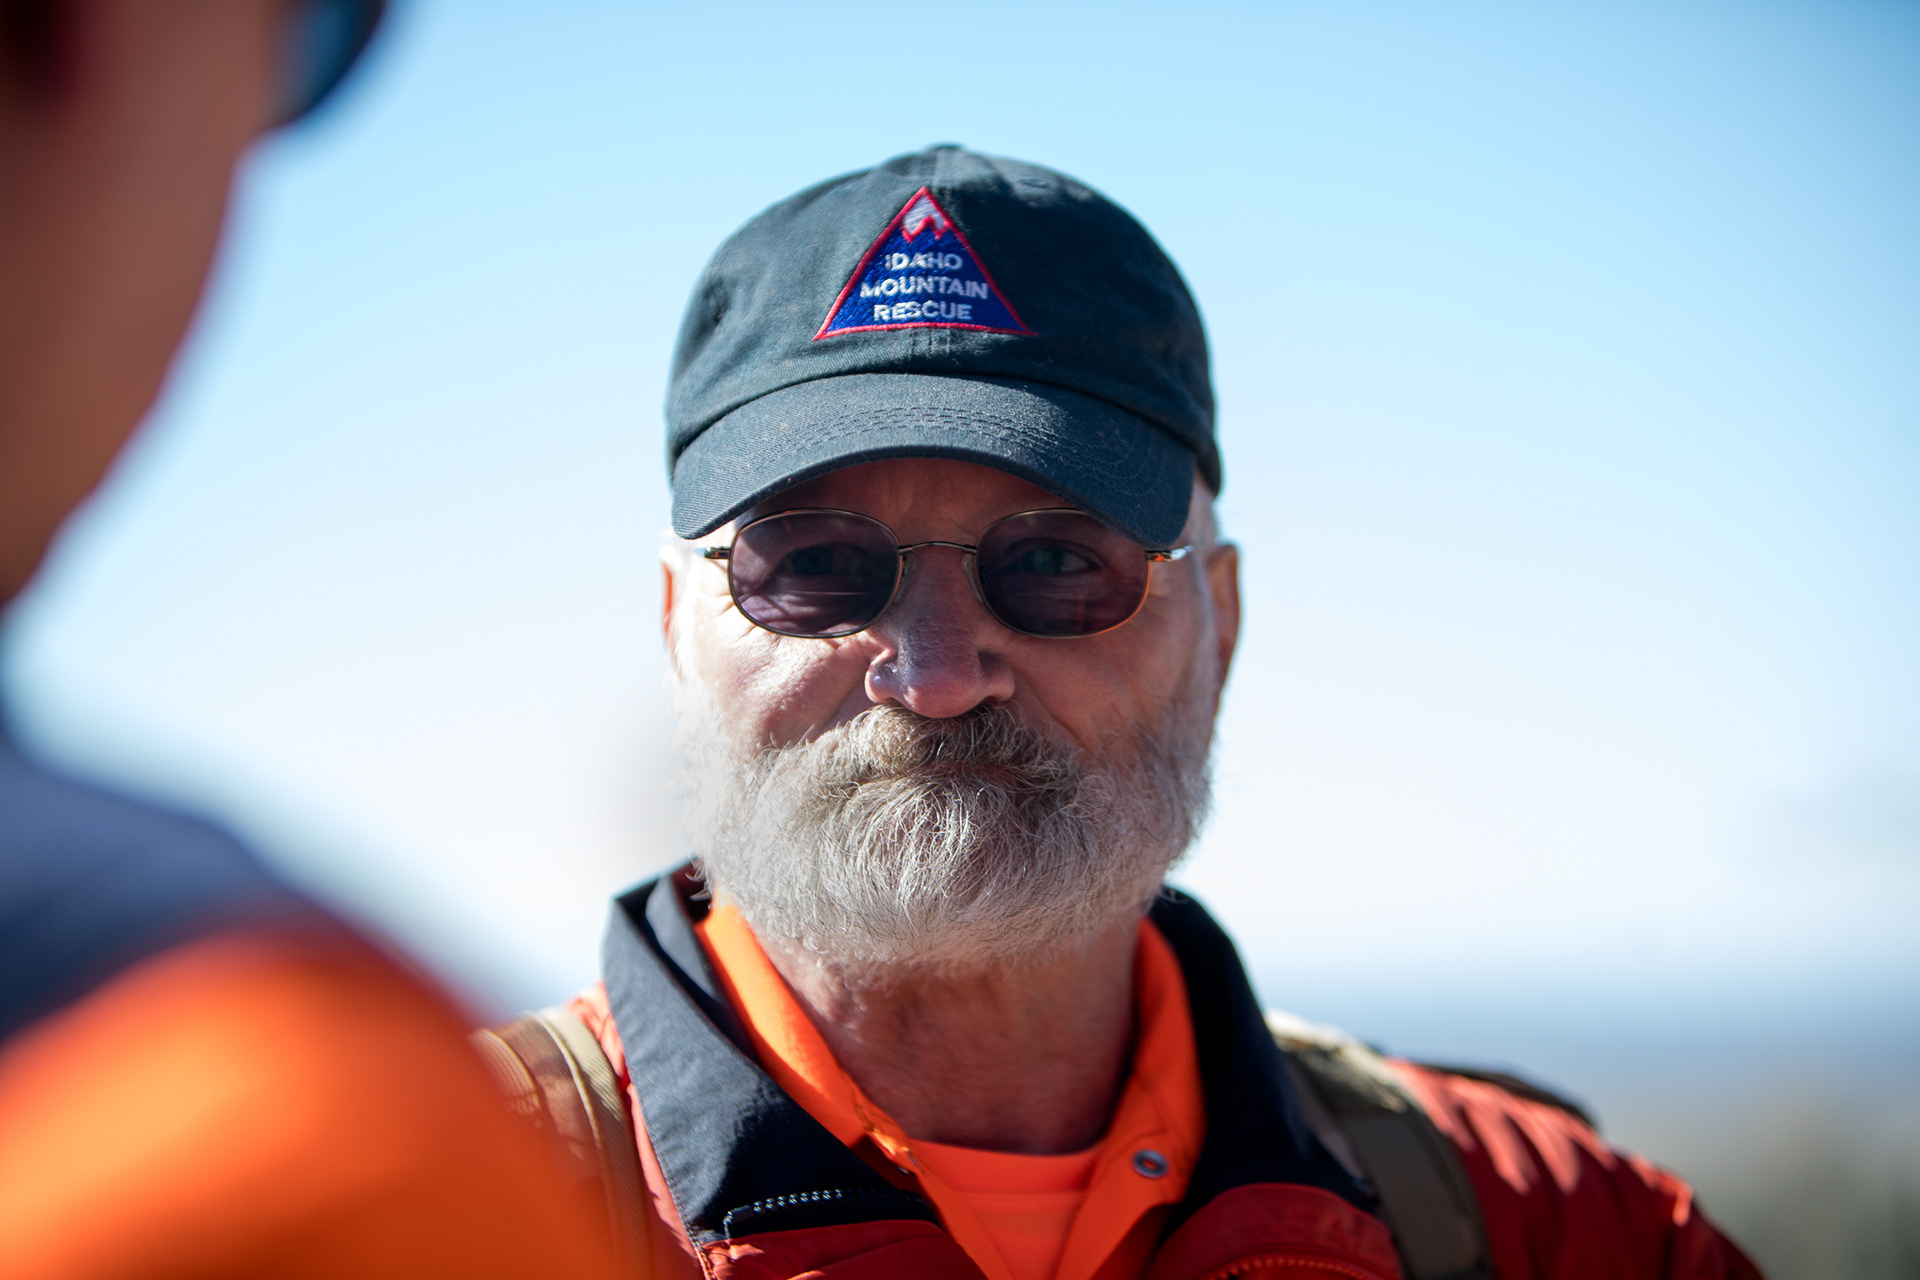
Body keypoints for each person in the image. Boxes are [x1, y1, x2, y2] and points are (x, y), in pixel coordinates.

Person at [481, 145, 1766, 1280]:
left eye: (1054, 564)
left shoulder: (1547, 1227)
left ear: (1225, 617)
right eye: (815, 565)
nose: (932, 676)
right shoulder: (405, 1201)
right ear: (672, 622)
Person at [0, 3, 617, 1275]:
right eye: (320, 36)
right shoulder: (285, 1130)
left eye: (1052, 565)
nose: (934, 667)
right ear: (95, 38)